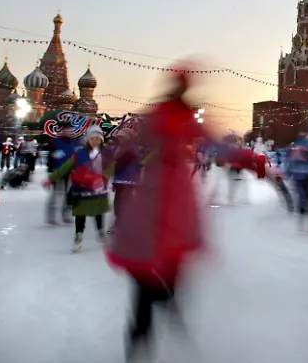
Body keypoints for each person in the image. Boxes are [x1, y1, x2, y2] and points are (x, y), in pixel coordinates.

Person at [106, 67, 205, 361]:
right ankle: (150, 323)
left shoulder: (167, 118)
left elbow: (218, 144)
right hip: (158, 201)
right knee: (151, 272)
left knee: (160, 269)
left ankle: (148, 325)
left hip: (166, 201)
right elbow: (129, 143)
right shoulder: (166, 119)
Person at [44, 126, 110, 251]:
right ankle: (78, 235)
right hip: (82, 188)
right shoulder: (80, 153)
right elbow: (65, 167)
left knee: (98, 212)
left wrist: (105, 177)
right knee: (80, 213)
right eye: (92, 138)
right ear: (88, 139)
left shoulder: (105, 153)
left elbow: (112, 168)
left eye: (97, 138)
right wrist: (51, 178)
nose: (95, 141)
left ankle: (101, 231)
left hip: (98, 189)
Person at [46, 123, 78, 224]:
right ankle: (51, 216)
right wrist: (51, 167)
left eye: (69, 130)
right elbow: (50, 156)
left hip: (68, 171)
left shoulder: (73, 142)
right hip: (57, 170)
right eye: (65, 130)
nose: (67, 132)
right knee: (55, 193)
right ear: (61, 130)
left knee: (67, 193)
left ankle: (65, 214)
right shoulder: (55, 141)